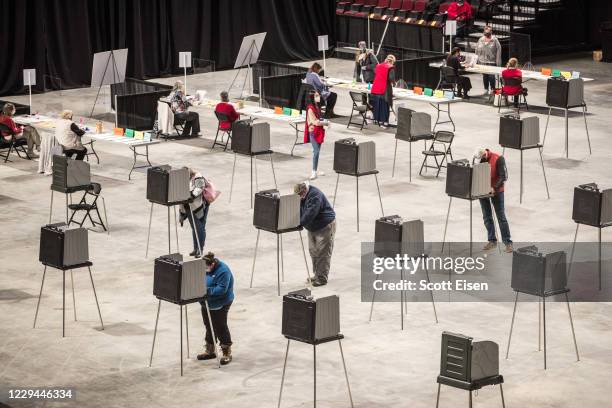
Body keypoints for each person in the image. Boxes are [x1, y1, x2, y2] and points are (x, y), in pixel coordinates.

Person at [294, 182, 336, 287]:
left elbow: (310, 213)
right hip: (312, 228)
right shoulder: (301, 196)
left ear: (305, 191)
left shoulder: (315, 195)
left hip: (324, 226)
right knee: (313, 252)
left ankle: (321, 279)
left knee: (323, 253)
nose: (299, 198)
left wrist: (299, 223)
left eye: (300, 195)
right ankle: (317, 275)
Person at [196, 252, 234, 365]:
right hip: (206, 302)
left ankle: (227, 351)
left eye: (207, 267)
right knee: (208, 324)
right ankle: (210, 350)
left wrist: (207, 291)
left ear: (212, 264)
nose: (205, 269)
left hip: (221, 302)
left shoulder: (223, 271)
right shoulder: (202, 267)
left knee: (220, 326)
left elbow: (222, 289)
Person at [474, 148, 513, 253]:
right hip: (483, 191)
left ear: (484, 155)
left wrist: (494, 188)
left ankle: (508, 242)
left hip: (497, 191)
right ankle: (492, 240)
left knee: (501, 217)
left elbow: (503, 176)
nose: (480, 160)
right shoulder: (479, 160)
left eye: (481, 158)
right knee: (487, 217)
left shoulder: (499, 159)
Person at [179, 168, 210, 257]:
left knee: (200, 228)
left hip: (199, 207)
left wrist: (192, 195)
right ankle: (195, 249)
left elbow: (200, 188)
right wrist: (181, 216)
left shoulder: (197, 176)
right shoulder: (182, 180)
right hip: (189, 207)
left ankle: (200, 250)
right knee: (194, 228)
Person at [304, 91, 328, 180]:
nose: (319, 97)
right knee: (316, 151)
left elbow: (320, 118)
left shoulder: (317, 106)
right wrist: (325, 123)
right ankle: (313, 171)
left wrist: (324, 121)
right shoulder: (310, 109)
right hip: (313, 131)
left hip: (320, 131)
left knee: (317, 152)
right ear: (312, 98)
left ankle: (316, 168)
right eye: (316, 96)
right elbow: (315, 122)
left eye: (318, 95)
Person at [370, 54, 396, 128]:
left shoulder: (379, 65)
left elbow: (376, 73)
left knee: (378, 104)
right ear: (392, 61)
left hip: (376, 88)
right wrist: (394, 83)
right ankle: (385, 122)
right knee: (385, 105)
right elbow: (391, 78)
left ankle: (378, 120)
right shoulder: (390, 67)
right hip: (385, 89)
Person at [475, 25, 502, 96]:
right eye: (486, 30)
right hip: (482, 61)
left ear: (491, 31)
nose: (488, 32)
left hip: (492, 61)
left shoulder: (495, 40)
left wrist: (498, 62)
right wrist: (476, 59)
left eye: (489, 30)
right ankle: (486, 89)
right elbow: (477, 49)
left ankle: (493, 90)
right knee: (485, 76)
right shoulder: (481, 39)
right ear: (484, 31)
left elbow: (499, 50)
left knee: (492, 76)